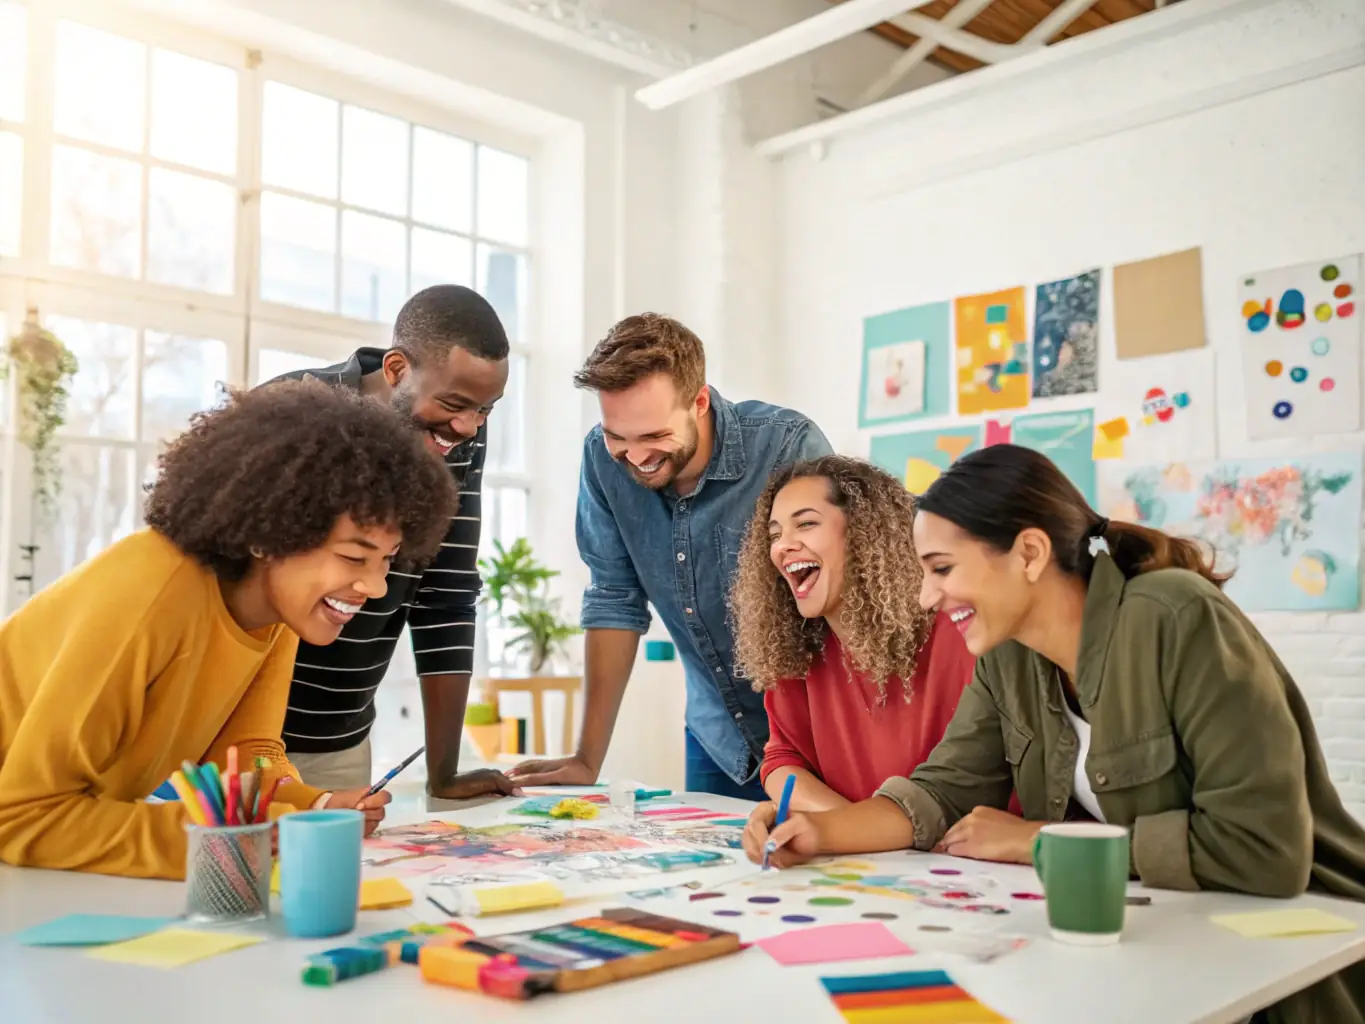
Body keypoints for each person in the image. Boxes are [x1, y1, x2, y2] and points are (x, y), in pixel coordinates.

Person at [750, 443, 1365, 1024]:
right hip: (1172, 941)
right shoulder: (1007, 655)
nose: (927, 595)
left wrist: (1040, 842)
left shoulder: (1175, 617)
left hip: (1299, 954)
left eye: (941, 568)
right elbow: (940, 790)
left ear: (1029, 554)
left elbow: (1266, 852)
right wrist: (817, 832)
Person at [0, 381, 458, 879]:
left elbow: (245, 757)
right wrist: (228, 839)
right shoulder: (148, 593)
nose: (374, 586)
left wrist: (316, 804)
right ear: (271, 533)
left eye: (387, 560)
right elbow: (25, 815)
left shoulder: (274, 611)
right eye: (352, 557)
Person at [507, 314, 832, 798]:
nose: (635, 457)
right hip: (717, 736)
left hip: (814, 736)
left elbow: (839, 599)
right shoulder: (600, 459)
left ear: (699, 401)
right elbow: (614, 596)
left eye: (654, 437)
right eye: (618, 436)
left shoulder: (786, 446)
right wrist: (585, 759)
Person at [265, 285, 517, 801]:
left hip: (341, 738)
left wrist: (444, 772)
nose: (468, 425)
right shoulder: (296, 409)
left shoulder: (458, 435)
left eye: (486, 410)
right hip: (234, 735)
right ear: (399, 369)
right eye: (454, 404)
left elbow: (446, 594)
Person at [728, 456, 977, 862]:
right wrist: (851, 828)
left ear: (865, 533)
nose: (783, 545)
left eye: (806, 524)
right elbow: (783, 758)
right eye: (774, 534)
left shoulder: (957, 632)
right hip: (877, 863)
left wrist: (849, 831)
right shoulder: (796, 648)